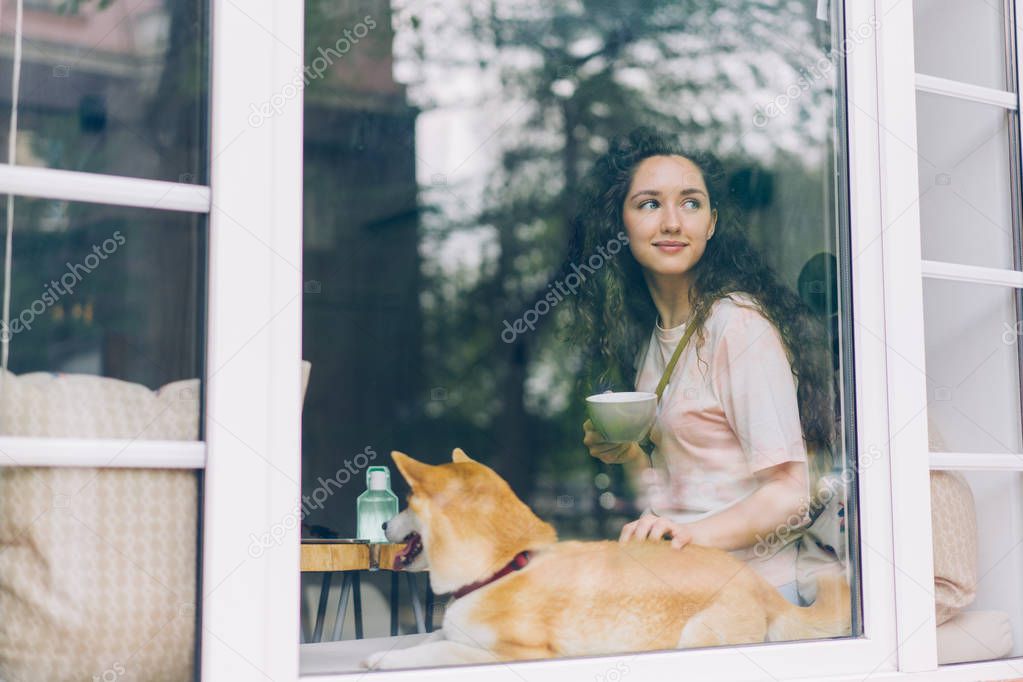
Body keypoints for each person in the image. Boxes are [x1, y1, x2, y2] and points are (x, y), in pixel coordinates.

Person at [566, 128, 837, 605]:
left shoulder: (737, 325)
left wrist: (683, 536)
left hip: (759, 595)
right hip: (695, 590)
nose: (672, 222)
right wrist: (626, 454)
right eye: (650, 204)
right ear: (619, 225)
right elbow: (674, 494)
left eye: (690, 203)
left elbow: (791, 492)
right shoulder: (658, 339)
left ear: (711, 223)